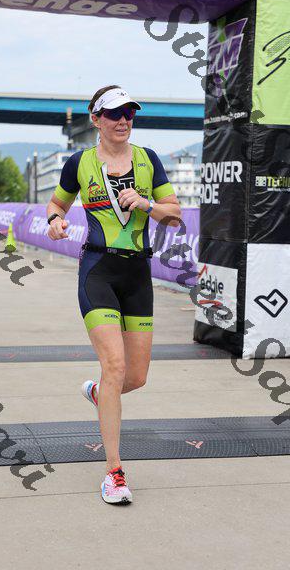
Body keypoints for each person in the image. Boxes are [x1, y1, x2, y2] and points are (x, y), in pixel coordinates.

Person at [47, 85, 181, 505]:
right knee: (114, 365)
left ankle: (98, 393)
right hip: (98, 271)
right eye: (113, 113)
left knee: (134, 378)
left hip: (137, 274)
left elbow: (174, 215)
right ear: (96, 119)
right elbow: (56, 205)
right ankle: (114, 473)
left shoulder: (148, 159)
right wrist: (54, 222)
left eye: (129, 113)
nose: (123, 120)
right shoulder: (79, 162)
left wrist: (145, 203)